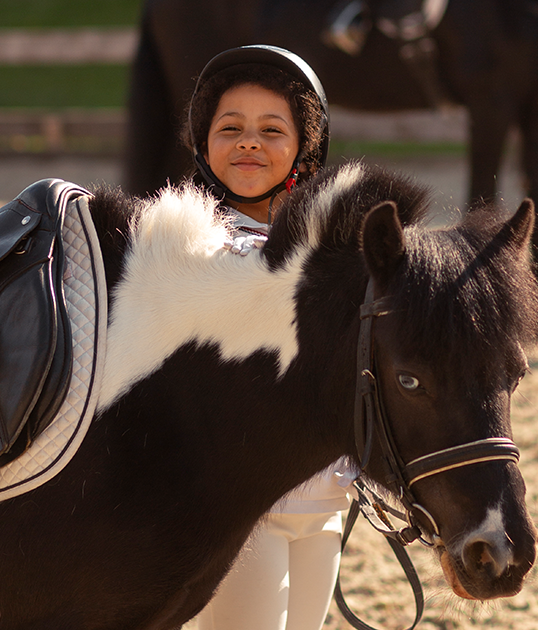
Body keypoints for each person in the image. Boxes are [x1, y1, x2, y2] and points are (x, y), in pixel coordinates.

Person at [180, 45, 353, 630]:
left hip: (322, 499)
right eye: (230, 128)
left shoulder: (332, 251)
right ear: (204, 144)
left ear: (304, 148)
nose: (249, 141)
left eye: (271, 129)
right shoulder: (187, 245)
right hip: (239, 508)